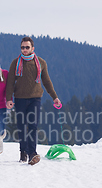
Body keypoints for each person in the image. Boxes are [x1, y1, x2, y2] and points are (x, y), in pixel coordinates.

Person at [6, 36, 61, 165]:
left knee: (32, 126)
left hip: (35, 98)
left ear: (32, 48)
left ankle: (32, 153)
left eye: (27, 47)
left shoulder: (41, 62)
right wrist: (9, 99)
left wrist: (55, 97)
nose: (24, 50)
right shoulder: (15, 62)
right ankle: (23, 151)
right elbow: (10, 83)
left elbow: (46, 81)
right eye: (22, 47)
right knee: (21, 127)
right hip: (19, 99)